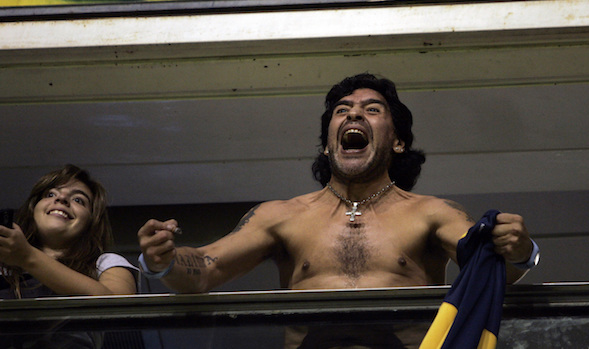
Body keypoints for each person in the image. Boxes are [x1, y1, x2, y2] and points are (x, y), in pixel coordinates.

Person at [138, 73, 539, 293]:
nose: (353, 116)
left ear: (398, 142)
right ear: (328, 145)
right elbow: (206, 269)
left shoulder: (431, 213)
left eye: (372, 109)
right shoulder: (281, 216)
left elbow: (495, 269)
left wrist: (519, 250)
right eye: (342, 111)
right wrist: (164, 261)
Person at [0, 164, 138, 299]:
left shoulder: (105, 263)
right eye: (50, 195)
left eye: (78, 200)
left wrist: (27, 257)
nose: (61, 199)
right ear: (33, 209)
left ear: (92, 221)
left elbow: (120, 305)